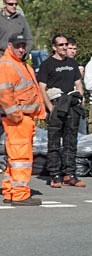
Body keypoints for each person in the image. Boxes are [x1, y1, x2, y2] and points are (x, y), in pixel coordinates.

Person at [0, 32, 46, 205]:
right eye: (18, 46)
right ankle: (20, 195)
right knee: (21, 159)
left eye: (23, 46)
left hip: (21, 118)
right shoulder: (8, 65)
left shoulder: (18, 63)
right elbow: (4, 94)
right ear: (9, 46)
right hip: (18, 120)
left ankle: (10, 192)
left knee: (15, 158)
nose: (21, 49)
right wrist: (17, 116)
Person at [38, 33, 85, 188]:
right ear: (54, 47)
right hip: (56, 105)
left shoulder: (72, 63)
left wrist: (80, 99)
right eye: (61, 45)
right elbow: (42, 88)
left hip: (72, 106)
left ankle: (69, 174)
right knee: (54, 142)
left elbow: (78, 84)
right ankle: (55, 175)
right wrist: (50, 108)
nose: (65, 47)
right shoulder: (47, 64)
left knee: (71, 142)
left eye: (66, 44)